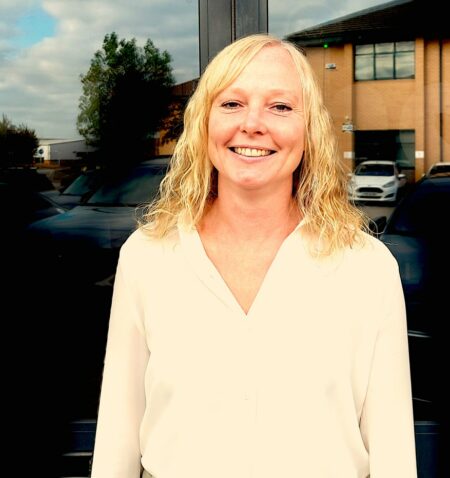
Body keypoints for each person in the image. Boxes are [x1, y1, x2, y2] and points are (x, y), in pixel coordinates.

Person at [90, 34, 417, 478]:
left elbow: (393, 448)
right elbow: (118, 432)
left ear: (310, 128)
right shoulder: (147, 257)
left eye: (280, 106)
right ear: (205, 121)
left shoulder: (366, 268)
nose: (253, 124)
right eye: (231, 104)